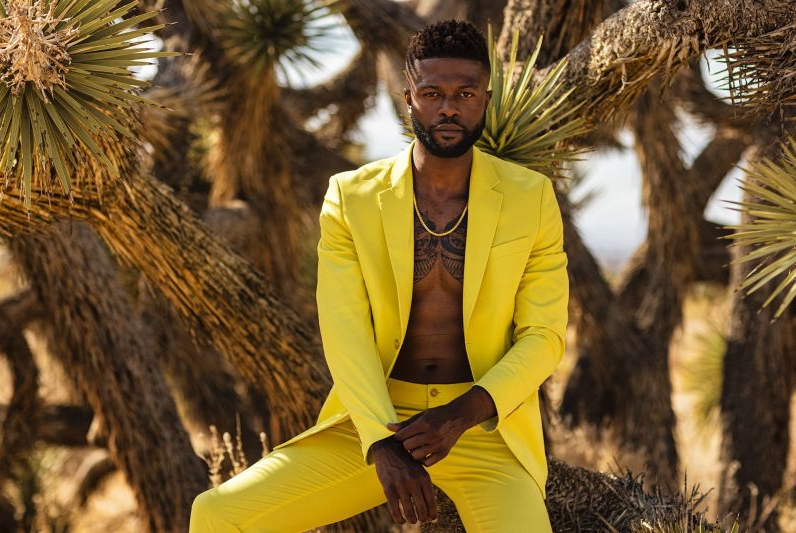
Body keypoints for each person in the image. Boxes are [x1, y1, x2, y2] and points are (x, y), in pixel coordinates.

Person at [189, 18, 568, 533]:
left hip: (481, 428)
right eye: (432, 93)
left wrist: (457, 417)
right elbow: (344, 329)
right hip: (375, 420)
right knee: (217, 515)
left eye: (464, 93)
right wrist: (381, 442)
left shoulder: (531, 197)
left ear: (486, 98)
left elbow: (543, 337)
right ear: (407, 97)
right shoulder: (352, 197)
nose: (449, 108)